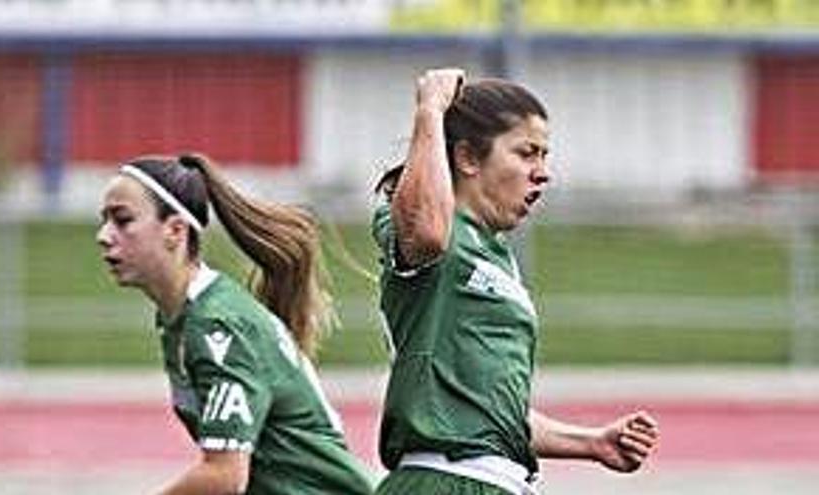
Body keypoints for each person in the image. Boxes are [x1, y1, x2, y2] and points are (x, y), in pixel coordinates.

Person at [371, 68, 660, 495]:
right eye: (527, 153)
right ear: (468, 157)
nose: (542, 172)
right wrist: (430, 111)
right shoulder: (427, 231)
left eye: (544, 156)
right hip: (445, 481)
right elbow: (427, 231)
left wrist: (591, 443)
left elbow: (484, 412)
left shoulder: (496, 257)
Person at [96, 153, 375, 495]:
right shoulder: (180, 319)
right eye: (104, 220)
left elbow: (225, 477)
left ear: (175, 230)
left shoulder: (217, 324)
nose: (104, 235)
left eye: (122, 220)